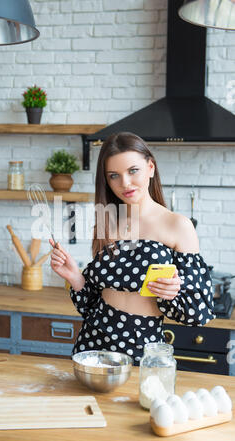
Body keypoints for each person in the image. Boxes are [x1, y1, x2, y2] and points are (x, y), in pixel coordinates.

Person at [49, 132, 215, 364]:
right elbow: (92, 304)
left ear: (150, 167)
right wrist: (75, 276)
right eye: (114, 176)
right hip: (92, 342)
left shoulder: (178, 225)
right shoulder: (106, 223)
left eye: (133, 171)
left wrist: (175, 291)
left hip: (142, 346)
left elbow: (199, 312)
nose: (124, 183)